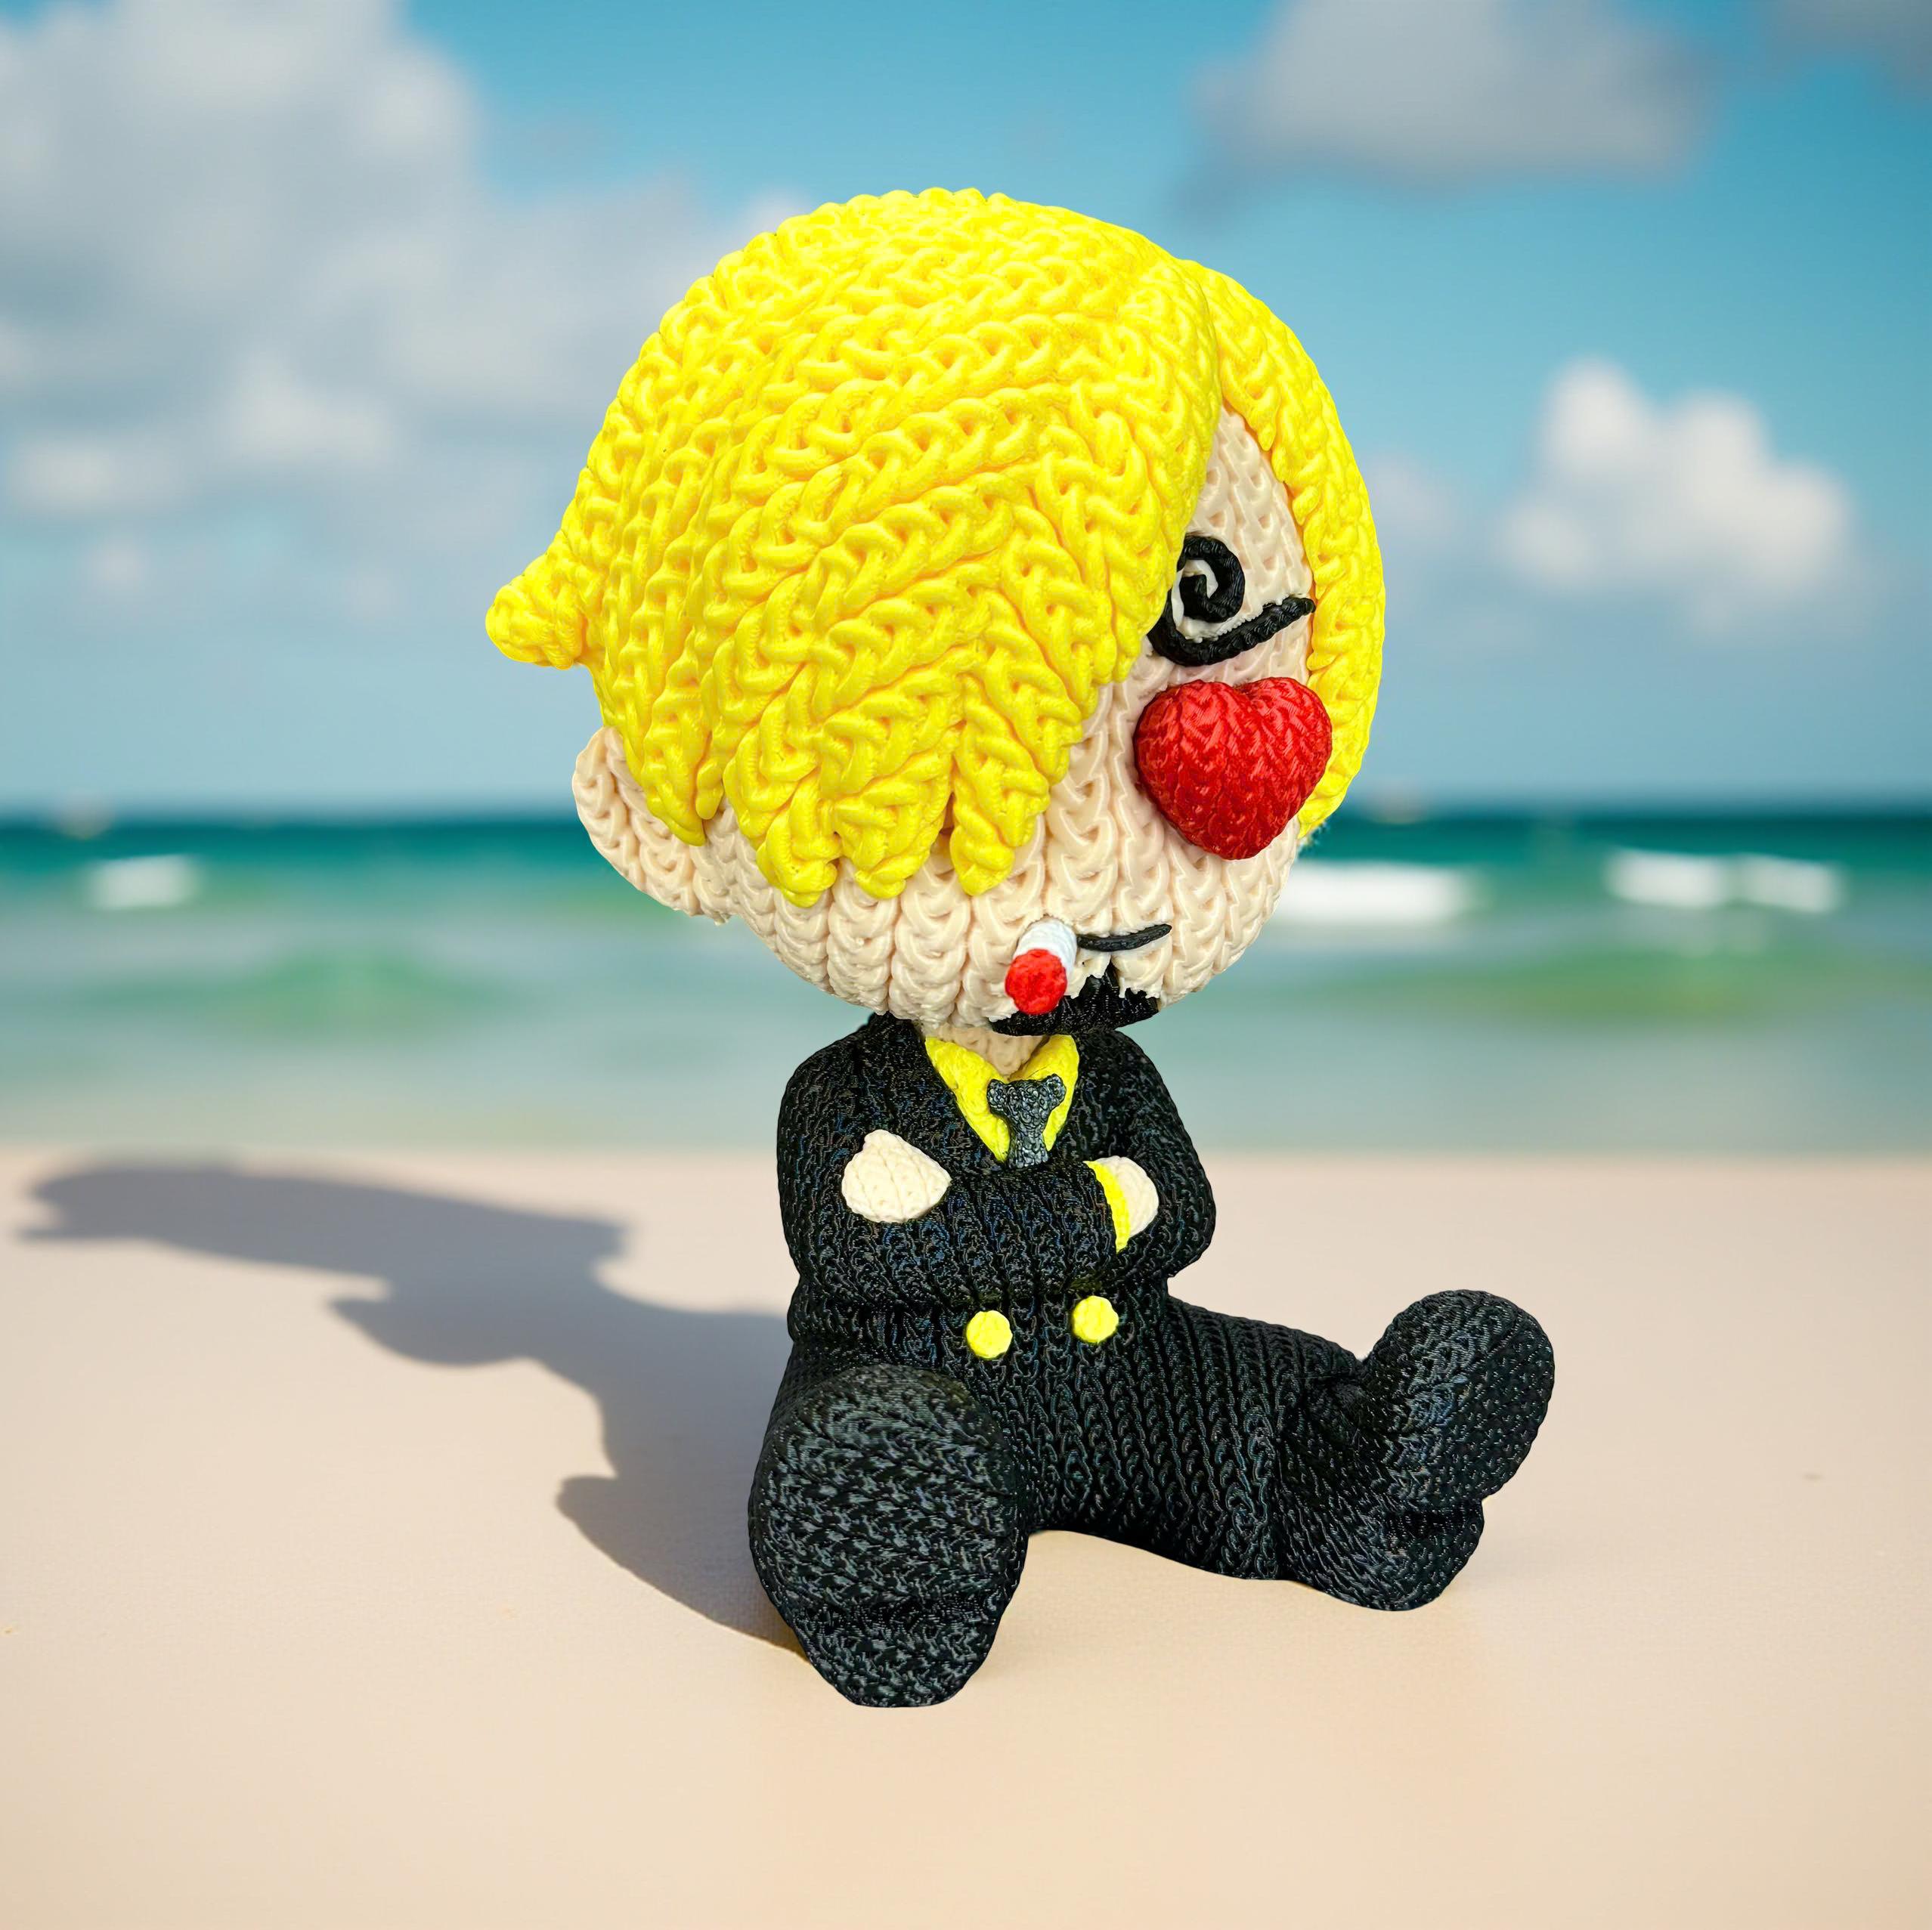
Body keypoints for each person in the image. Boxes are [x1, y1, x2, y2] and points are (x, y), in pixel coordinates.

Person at [490, 189, 1554, 1706]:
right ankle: (899, 1562)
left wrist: (1038, 1219)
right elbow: (873, 1248)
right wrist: (1093, 1210)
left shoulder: (1106, 1077)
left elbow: (1171, 1212)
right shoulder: (843, 1097)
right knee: (868, 1447)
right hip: (914, 1385)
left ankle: (1363, 1474)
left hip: (1134, 1368)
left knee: (1259, 1398)